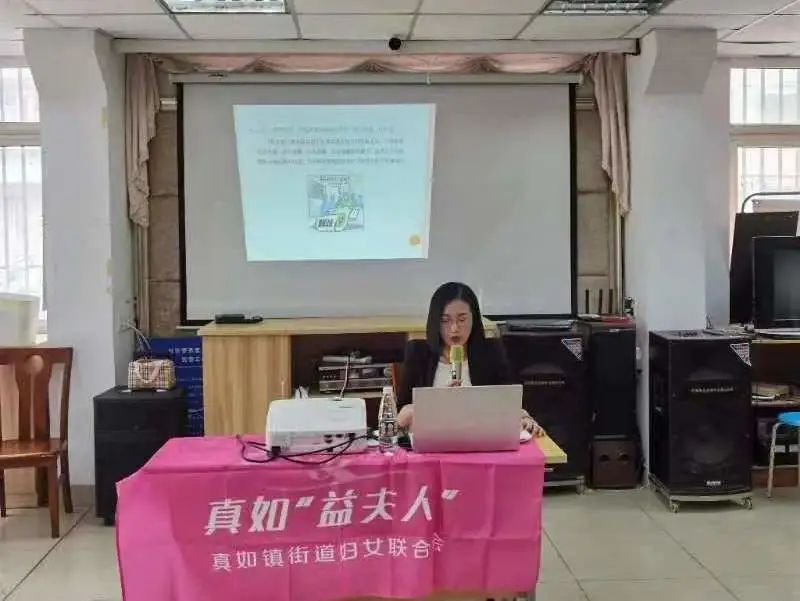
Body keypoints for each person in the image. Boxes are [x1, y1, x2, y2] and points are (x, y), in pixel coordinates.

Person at [397, 282, 543, 436]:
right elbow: (401, 415)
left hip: (482, 438)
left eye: (462, 320)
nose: (454, 328)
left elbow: (509, 402)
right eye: (445, 320)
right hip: (432, 439)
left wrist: (524, 418)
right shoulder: (418, 352)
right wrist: (435, 403)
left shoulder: (492, 351)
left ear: (474, 319)